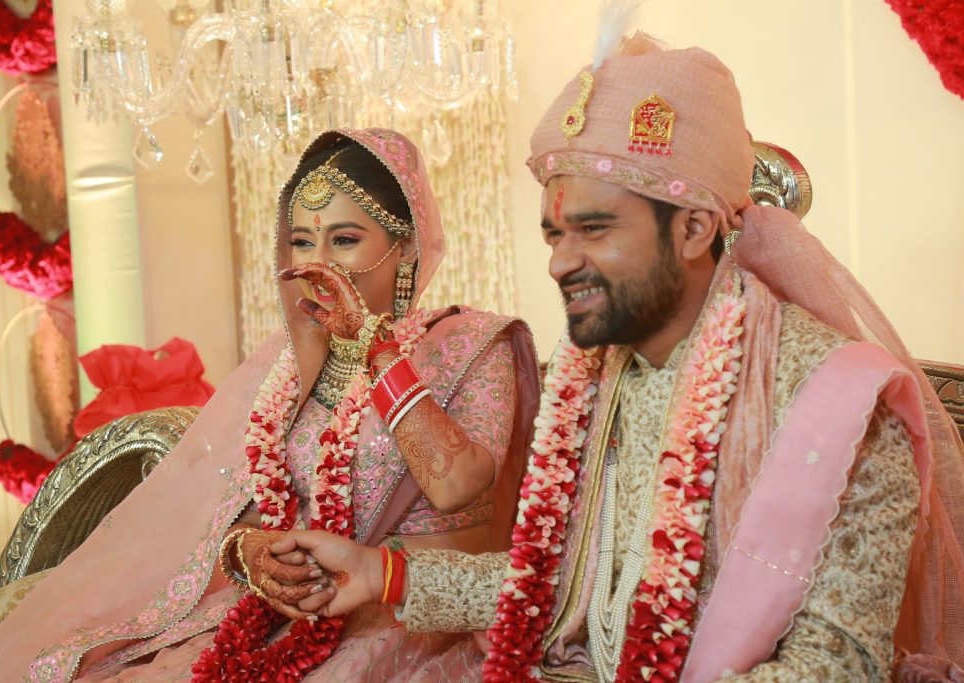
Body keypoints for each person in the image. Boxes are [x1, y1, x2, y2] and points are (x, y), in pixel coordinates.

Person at [268, 32, 964, 683]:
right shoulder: (601, 378)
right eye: (553, 234)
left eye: (594, 229)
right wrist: (379, 574)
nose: (560, 262)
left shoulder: (843, 409)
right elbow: (560, 582)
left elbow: (835, 666)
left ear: (693, 227)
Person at [0, 128, 540, 681]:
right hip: (281, 612)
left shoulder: (471, 343)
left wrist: (377, 352)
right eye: (304, 242)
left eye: (345, 240)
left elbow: (456, 483)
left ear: (405, 245)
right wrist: (248, 552)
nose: (320, 267)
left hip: (409, 613)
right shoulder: (287, 366)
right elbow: (234, 510)